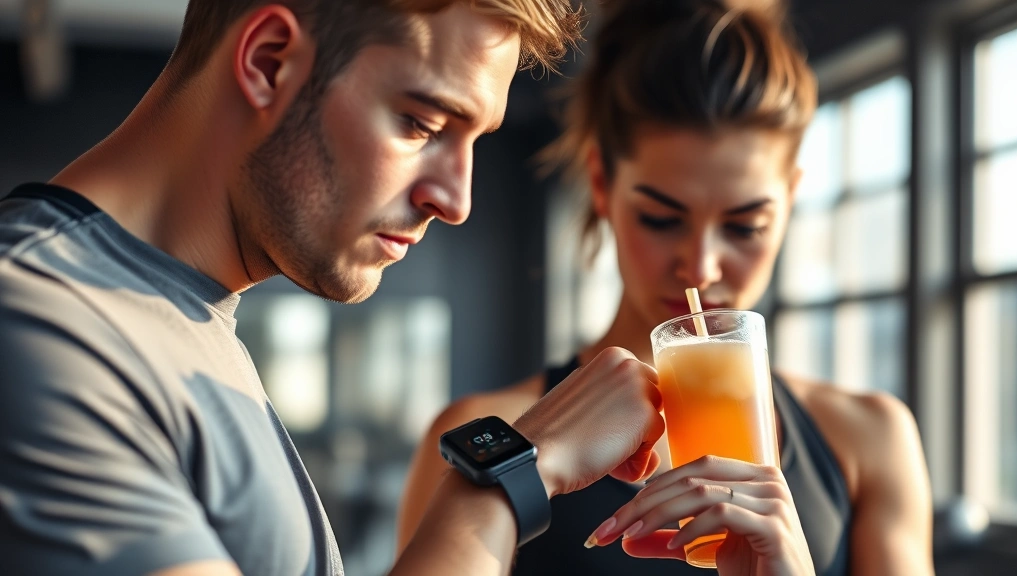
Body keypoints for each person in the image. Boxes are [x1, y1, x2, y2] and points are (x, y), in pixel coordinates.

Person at [0, 2, 676, 576]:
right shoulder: (37, 328)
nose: (457, 200)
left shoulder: (182, 323)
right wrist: (508, 482)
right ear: (269, 62)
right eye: (423, 124)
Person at [398, 1, 935, 574]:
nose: (700, 268)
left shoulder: (869, 438)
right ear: (602, 185)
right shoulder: (488, 442)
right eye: (661, 218)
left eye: (745, 225)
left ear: (791, 199)